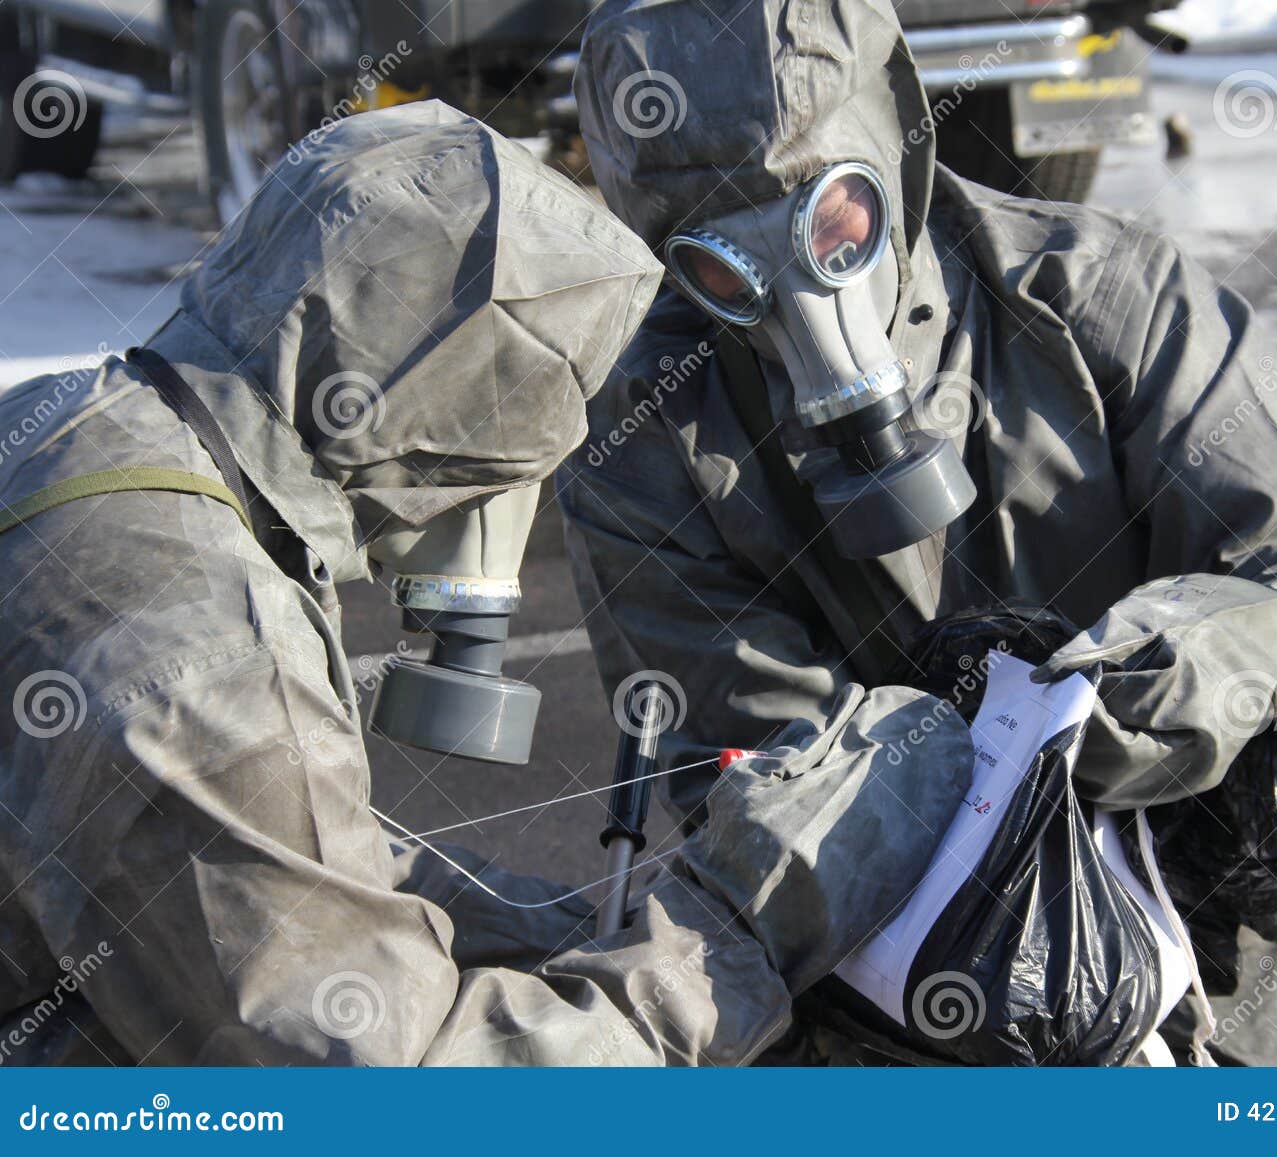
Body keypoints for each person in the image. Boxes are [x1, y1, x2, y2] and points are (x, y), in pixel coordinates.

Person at [0, 102, 969, 1065]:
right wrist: (735, 938)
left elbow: (267, 855)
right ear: (441, 397)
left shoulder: (78, 427)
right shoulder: (207, 654)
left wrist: (549, 924)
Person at [563, 0, 1277, 1065]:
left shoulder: (1108, 300)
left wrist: (1172, 675)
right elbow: (740, 765)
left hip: (1199, 902)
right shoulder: (648, 444)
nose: (799, 286)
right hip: (894, 969)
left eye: (830, 221)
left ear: (899, 138)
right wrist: (935, 796)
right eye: (726, 266)